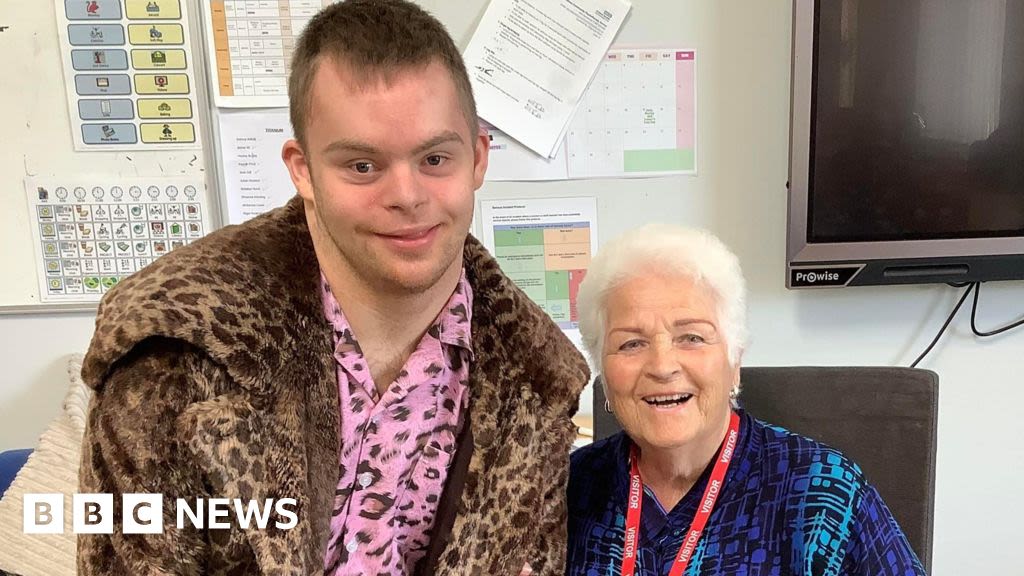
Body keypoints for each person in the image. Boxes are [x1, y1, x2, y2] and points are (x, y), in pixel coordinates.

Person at [78, 1, 589, 574]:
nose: (408, 195)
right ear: (302, 170)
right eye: (363, 166)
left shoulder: (537, 384)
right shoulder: (172, 356)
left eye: (435, 158)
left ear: (476, 159)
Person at [567, 224, 926, 575]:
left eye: (691, 337)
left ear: (734, 361)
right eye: (631, 343)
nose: (662, 366)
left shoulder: (824, 493)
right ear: (604, 373)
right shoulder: (564, 490)